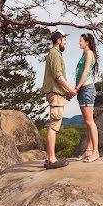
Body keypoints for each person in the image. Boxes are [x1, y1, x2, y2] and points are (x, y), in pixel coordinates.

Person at [41, 30, 77, 169]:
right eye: (64, 40)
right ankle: (51, 160)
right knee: (54, 126)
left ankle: (49, 157)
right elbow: (58, 76)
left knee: (54, 125)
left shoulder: (55, 54)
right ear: (59, 40)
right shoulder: (55, 54)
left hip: (57, 93)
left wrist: (65, 92)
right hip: (55, 94)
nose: (65, 42)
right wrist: (70, 90)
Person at [73, 33, 100, 162]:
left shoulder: (89, 54)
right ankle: (89, 150)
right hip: (83, 90)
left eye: (81, 41)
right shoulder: (85, 54)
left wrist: (77, 87)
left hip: (86, 90)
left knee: (90, 122)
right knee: (87, 122)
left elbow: (84, 72)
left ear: (87, 42)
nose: (79, 43)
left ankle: (96, 152)